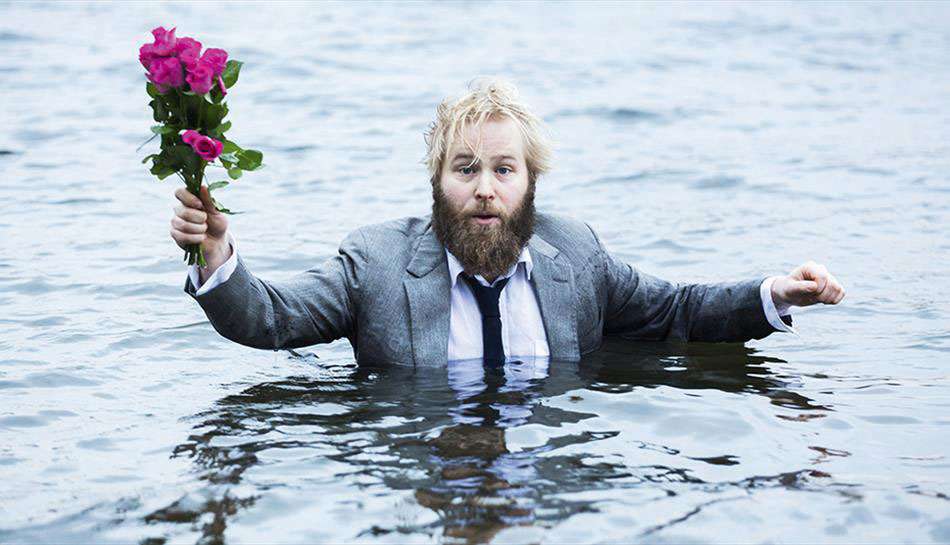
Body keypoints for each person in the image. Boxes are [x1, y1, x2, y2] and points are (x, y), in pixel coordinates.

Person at [169, 79, 845, 366]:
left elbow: (678, 310)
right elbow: (270, 318)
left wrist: (775, 293)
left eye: (503, 169)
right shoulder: (375, 263)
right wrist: (216, 252)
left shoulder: (574, 254)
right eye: (465, 169)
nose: (485, 189)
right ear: (436, 181)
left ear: (530, 183)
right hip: (422, 452)